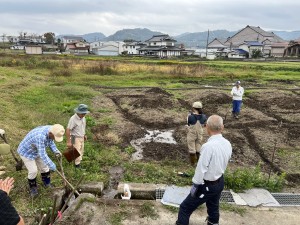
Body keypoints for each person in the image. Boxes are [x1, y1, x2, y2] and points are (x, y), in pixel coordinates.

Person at [176, 115, 232, 225]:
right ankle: (213, 223)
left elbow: (201, 169)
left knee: (185, 208)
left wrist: (195, 185)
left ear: (206, 127)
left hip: (207, 186)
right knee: (213, 207)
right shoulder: (227, 143)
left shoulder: (208, 147)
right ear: (222, 127)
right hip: (219, 182)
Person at [17, 124, 65, 197]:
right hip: (26, 152)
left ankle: (47, 183)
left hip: (37, 150)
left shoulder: (52, 130)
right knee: (33, 171)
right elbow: (42, 154)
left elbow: (51, 142)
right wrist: (51, 164)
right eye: (55, 137)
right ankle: (33, 188)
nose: (55, 139)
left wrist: (56, 151)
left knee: (45, 167)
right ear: (51, 133)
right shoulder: (40, 136)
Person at [66, 104, 89, 168]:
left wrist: (84, 134)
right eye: (82, 113)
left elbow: (83, 127)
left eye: (84, 113)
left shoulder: (83, 118)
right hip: (74, 137)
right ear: (78, 112)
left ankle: (70, 160)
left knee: (81, 150)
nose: (83, 115)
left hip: (81, 136)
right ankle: (77, 166)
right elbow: (68, 130)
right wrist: (69, 141)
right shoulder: (73, 119)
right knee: (77, 151)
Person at [186, 101, 207, 166]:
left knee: (192, 148)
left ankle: (192, 164)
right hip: (200, 134)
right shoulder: (204, 116)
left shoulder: (190, 116)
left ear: (193, 108)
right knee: (198, 147)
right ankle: (199, 162)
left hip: (192, 134)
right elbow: (204, 124)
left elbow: (188, 124)